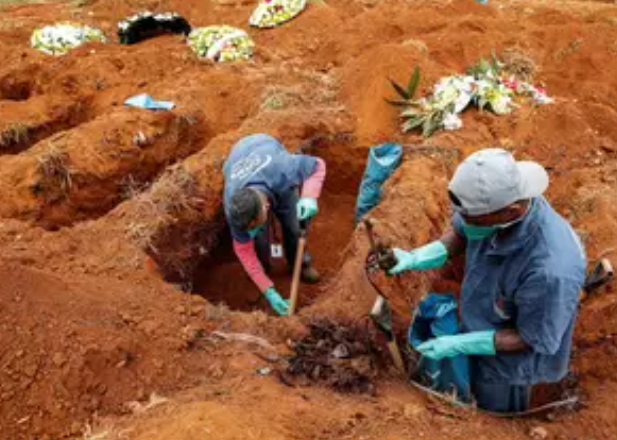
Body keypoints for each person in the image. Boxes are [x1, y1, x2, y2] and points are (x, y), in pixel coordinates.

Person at [389, 148, 586, 413]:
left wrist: (460, 343)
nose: (464, 221)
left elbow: (530, 338)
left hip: (510, 366)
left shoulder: (550, 270)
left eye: (473, 219)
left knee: (492, 411)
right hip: (486, 316)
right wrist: (419, 256)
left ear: (510, 211)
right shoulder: (495, 205)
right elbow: (462, 230)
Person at [223, 134, 326, 316]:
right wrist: (267, 290)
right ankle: (260, 274)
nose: (251, 233)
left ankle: (300, 264)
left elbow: (317, 165)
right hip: (239, 154)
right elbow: (245, 252)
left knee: (295, 227)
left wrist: (309, 196)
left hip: (266, 149)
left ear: (265, 207)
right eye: (248, 229)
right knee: (258, 243)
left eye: (254, 226)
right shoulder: (235, 208)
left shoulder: (283, 170)